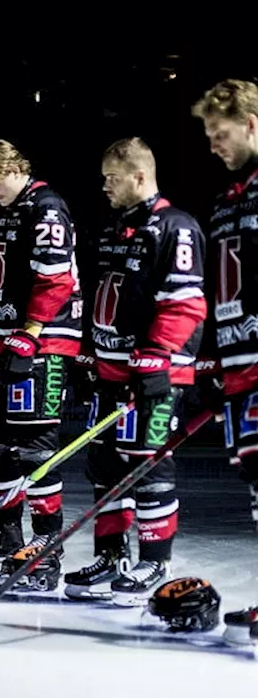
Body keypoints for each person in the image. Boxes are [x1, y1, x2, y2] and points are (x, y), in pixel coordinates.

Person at [63, 138, 206, 602]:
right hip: (111, 372)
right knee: (104, 465)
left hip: (155, 375)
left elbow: (185, 304)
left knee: (148, 464)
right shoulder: (114, 231)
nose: (104, 186)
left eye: (112, 178)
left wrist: (156, 357)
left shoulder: (175, 228)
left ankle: (153, 560)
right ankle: (111, 554)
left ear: (139, 177)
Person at [0, 140, 83, 573]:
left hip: (41, 341)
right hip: (4, 342)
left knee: (34, 445)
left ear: (12, 169)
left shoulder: (45, 207)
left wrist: (30, 331)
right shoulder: (2, 210)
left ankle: (46, 545)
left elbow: (55, 280)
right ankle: (10, 535)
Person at [192, 79, 258, 644]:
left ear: (252, 125)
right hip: (241, 362)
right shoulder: (227, 199)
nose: (213, 144)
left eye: (221, 133)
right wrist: (218, 363)